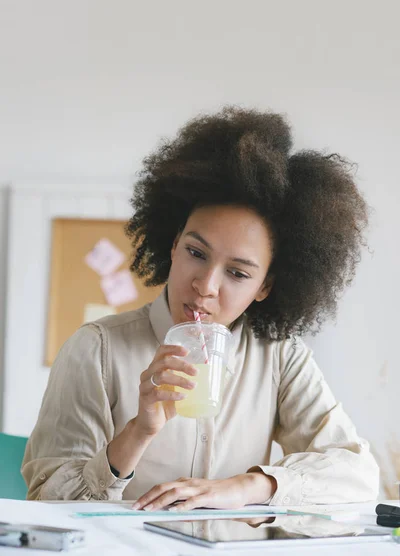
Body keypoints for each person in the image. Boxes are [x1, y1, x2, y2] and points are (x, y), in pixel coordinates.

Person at [22, 106, 379, 507]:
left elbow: (358, 475)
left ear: (266, 287)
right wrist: (139, 430)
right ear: (173, 245)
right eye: (196, 252)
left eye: (239, 274)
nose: (205, 286)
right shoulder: (96, 350)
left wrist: (248, 487)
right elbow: (49, 501)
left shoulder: (282, 357)